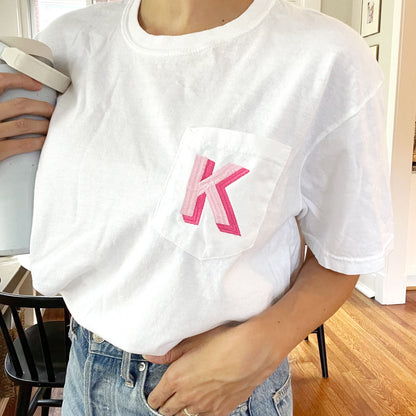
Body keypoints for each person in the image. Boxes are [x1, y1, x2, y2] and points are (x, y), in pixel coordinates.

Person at [0, 0, 394, 415]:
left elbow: (346, 254)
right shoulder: (66, 44)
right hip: (83, 370)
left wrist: (263, 346)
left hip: (219, 391)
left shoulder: (325, 57)